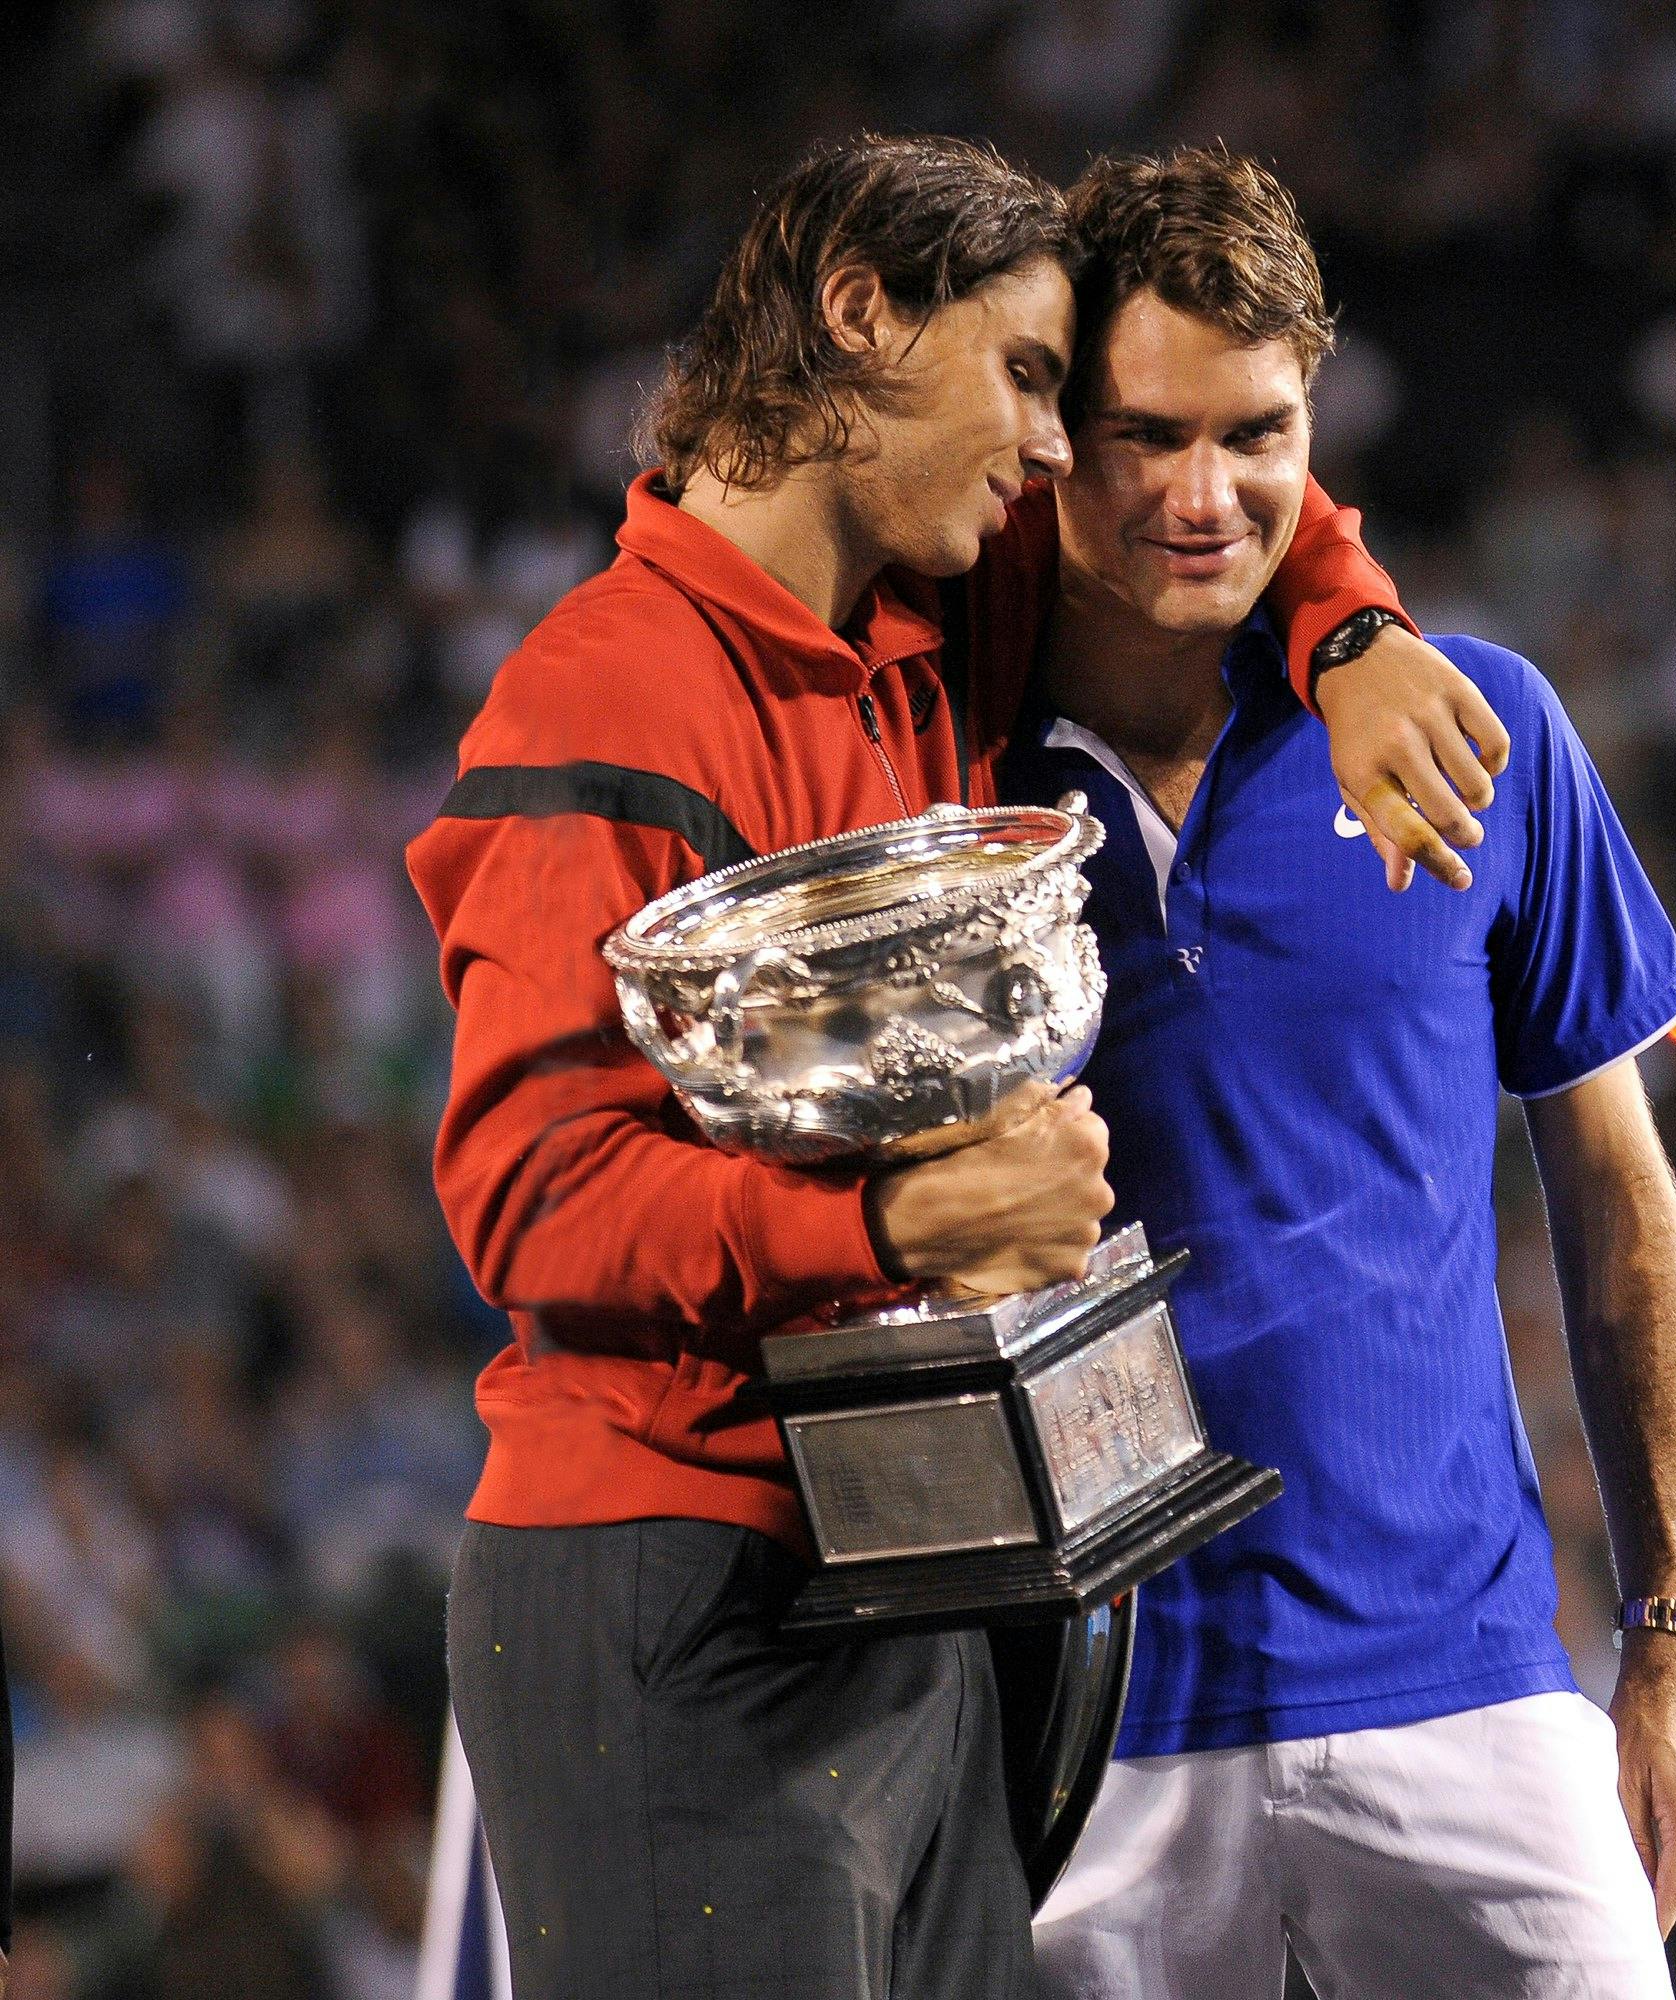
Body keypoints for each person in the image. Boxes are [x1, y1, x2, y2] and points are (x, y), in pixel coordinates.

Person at [407, 134, 1501, 2000]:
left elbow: (1228, 481)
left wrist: (1357, 633)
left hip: (916, 1570)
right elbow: (529, 1201)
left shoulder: (927, 621)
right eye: (1020, 379)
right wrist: (905, 1219)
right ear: (859, 316)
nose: (1062, 447)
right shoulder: (599, 694)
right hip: (678, 1579)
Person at [988, 147, 1676, 1997]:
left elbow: (1619, 1194)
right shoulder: (927, 777)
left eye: (1260, 432)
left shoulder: (1477, 733)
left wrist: (1664, 1643)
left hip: (1469, 1693)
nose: (1204, 492)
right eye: (1147, 432)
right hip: (1078, 1735)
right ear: (1056, 431)